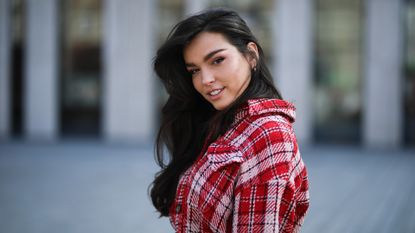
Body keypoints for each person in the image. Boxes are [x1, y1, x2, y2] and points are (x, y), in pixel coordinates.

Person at [150, 8, 309, 233]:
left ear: (251, 56)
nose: (205, 80)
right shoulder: (222, 123)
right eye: (194, 70)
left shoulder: (268, 133)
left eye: (217, 60)